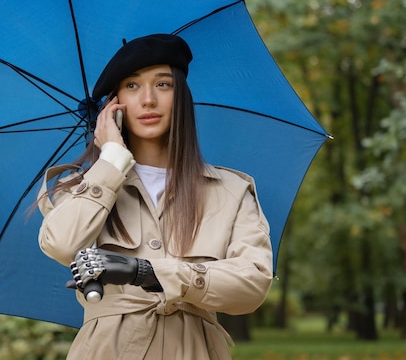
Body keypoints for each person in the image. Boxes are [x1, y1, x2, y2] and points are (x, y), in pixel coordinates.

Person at [37, 34, 273, 360]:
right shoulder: (79, 187)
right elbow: (62, 244)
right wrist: (110, 163)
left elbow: (252, 286)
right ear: (113, 106)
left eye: (163, 85)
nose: (148, 100)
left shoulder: (231, 191)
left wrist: (148, 272)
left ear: (181, 98)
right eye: (132, 86)